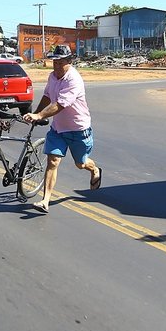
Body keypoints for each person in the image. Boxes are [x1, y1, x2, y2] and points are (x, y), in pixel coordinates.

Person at [23, 45, 102, 214]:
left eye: (61, 62)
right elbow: (47, 96)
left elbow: (59, 105)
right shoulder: (52, 76)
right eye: (55, 62)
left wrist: (40, 116)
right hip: (58, 129)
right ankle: (45, 201)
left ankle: (94, 169)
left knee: (81, 164)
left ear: (69, 62)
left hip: (78, 129)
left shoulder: (74, 80)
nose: (57, 66)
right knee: (53, 161)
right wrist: (36, 113)